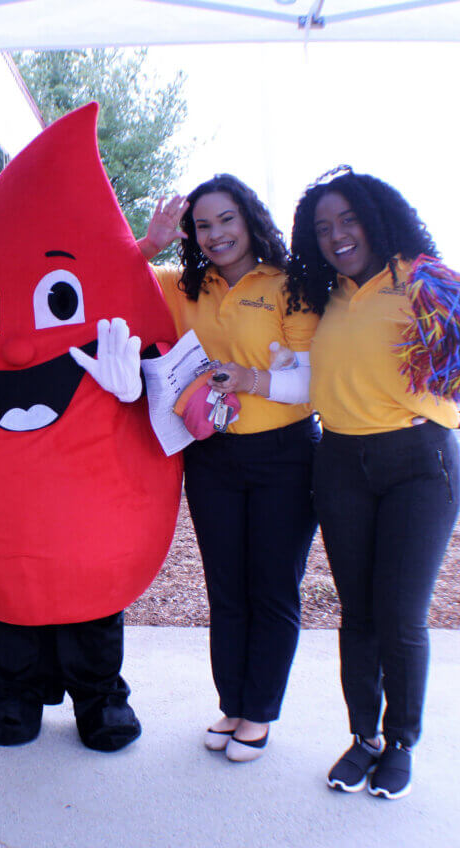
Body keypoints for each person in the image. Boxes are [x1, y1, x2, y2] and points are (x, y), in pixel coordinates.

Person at [286, 167, 460, 799]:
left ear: (375, 218)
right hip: (339, 463)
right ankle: (364, 738)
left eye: (348, 220)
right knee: (357, 613)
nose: (336, 236)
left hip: (418, 461)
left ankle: (403, 742)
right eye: (324, 227)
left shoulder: (421, 280)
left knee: (400, 615)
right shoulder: (321, 294)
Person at [138, 174, 319, 762]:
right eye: (203, 225)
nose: (215, 235)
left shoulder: (288, 284)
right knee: (227, 588)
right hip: (212, 454)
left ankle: (260, 711)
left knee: (271, 586)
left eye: (226, 220)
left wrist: (251, 380)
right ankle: (232, 703)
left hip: (284, 455)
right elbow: (114, 275)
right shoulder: (185, 285)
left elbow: (312, 380)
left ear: (249, 219)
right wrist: (149, 244)